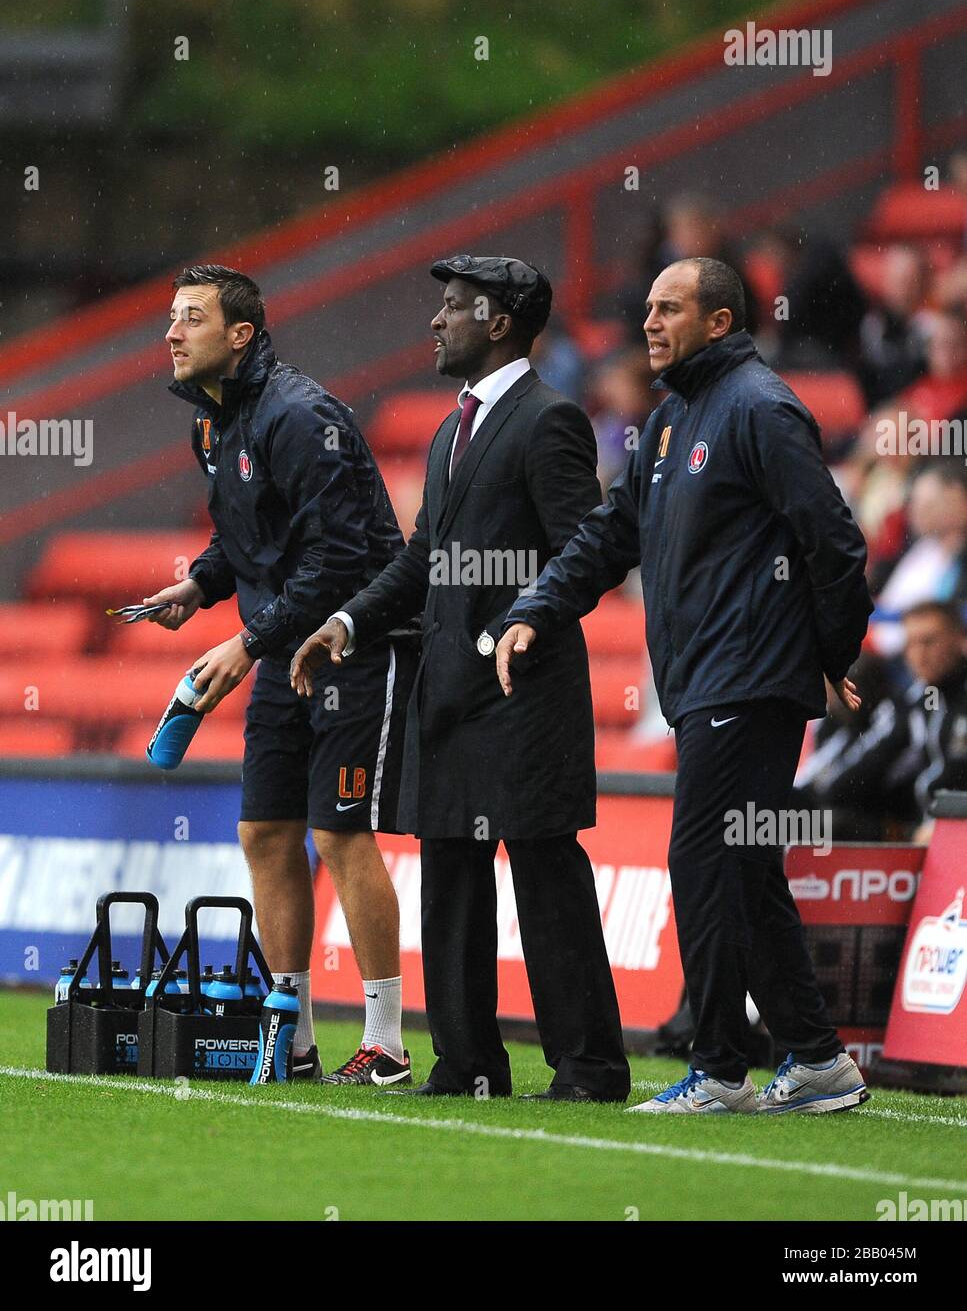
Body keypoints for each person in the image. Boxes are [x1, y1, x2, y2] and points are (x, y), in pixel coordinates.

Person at [497, 256, 873, 1116]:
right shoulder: (670, 422)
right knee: (743, 869)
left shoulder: (760, 408)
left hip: (748, 679)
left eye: (671, 309)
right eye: (649, 309)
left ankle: (720, 1069)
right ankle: (816, 1060)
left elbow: (834, 540)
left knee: (702, 862)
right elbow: (606, 536)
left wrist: (828, 650)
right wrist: (538, 607)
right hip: (707, 680)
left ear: (718, 321)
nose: (650, 323)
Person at [290, 255, 631, 1103]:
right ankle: (467, 1061)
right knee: (448, 876)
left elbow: (586, 549)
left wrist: (528, 620)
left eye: (453, 308)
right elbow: (422, 560)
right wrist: (345, 622)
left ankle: (587, 1068)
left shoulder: (549, 421)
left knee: (546, 871)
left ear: (501, 321)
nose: (436, 323)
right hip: (442, 690)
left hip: (524, 693)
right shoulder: (452, 429)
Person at [144, 264, 417, 1086]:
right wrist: (199, 583)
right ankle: (288, 1036)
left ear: (240, 335)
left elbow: (337, 555)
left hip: (350, 645)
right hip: (282, 646)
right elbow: (250, 538)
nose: (171, 332)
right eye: (170, 316)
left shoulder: (301, 416)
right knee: (264, 832)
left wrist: (248, 642)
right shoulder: (212, 423)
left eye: (190, 317)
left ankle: (386, 1042)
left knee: (337, 831)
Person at [799, 602, 967, 840]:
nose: (920, 654)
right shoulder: (910, 705)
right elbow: (852, 775)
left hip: (954, 828)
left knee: (827, 824)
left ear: (960, 638)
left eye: (929, 641)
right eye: (911, 644)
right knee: (807, 817)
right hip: (917, 827)